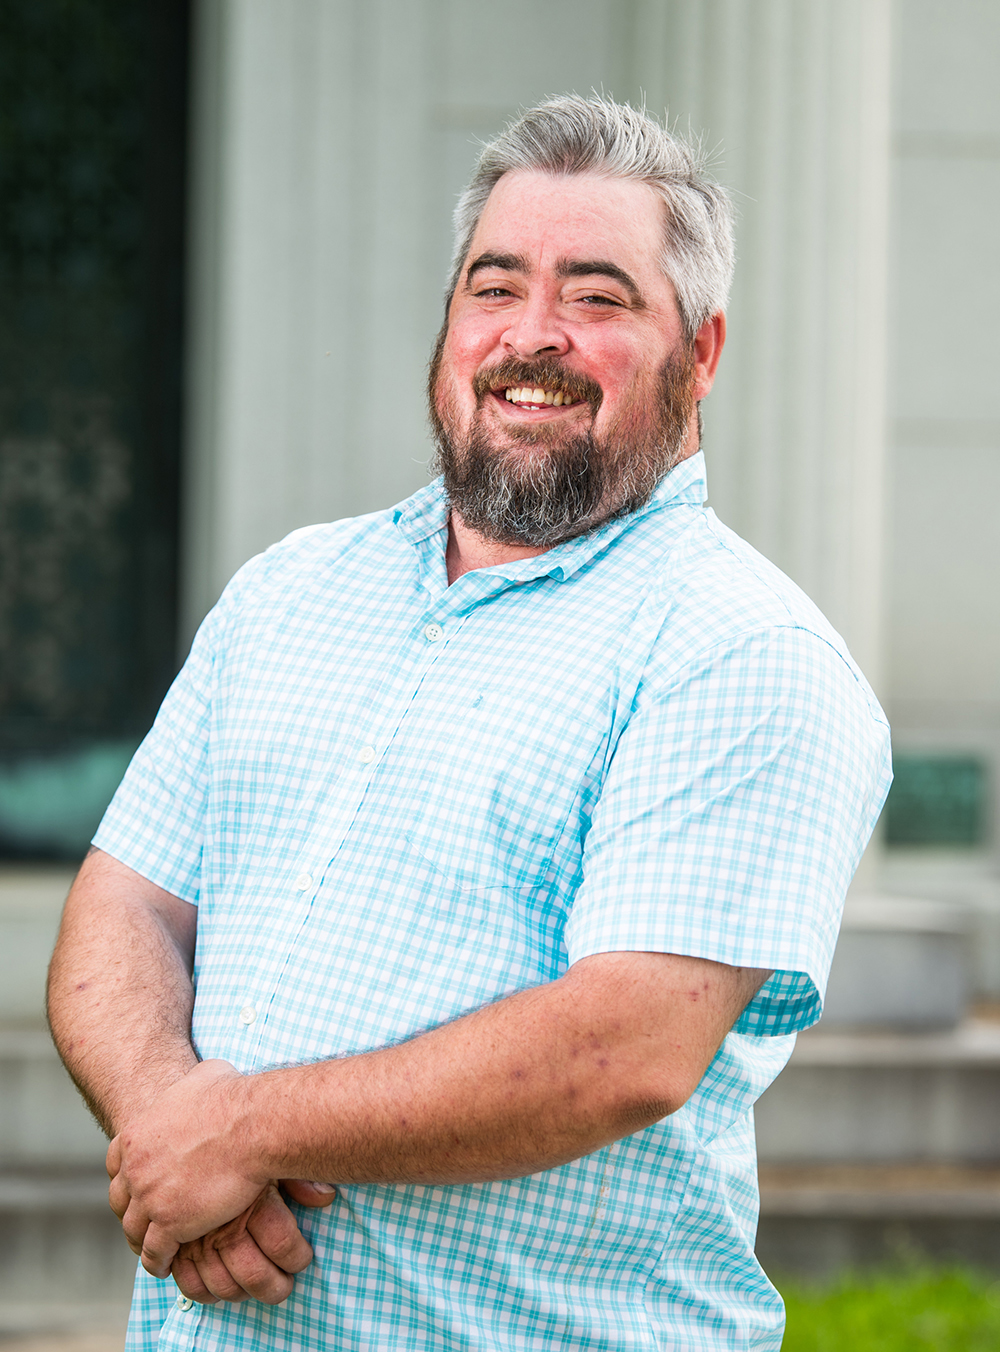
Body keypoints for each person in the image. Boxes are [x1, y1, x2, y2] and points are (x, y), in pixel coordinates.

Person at [48, 95, 891, 1351]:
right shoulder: (290, 589)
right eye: (495, 286)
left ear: (700, 350)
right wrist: (170, 1118)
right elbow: (123, 904)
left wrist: (245, 1128)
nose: (531, 333)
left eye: (597, 297)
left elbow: (624, 1045)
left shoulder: (740, 649)